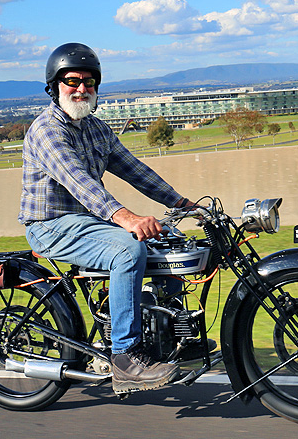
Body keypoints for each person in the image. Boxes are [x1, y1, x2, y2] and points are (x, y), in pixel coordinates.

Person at [18, 42, 194, 394]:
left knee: (170, 240)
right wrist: (126, 218)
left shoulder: (96, 129)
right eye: (72, 81)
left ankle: (169, 335)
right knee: (128, 250)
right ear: (55, 86)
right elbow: (78, 182)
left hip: (87, 222)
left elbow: (135, 170)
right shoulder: (47, 130)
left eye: (89, 82)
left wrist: (183, 202)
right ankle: (126, 358)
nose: (81, 88)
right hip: (51, 225)